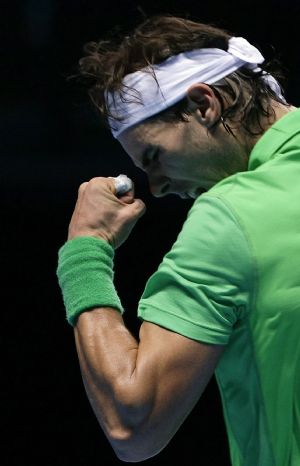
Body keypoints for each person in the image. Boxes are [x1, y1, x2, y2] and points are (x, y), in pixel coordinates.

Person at [56, 14, 300, 465]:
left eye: (155, 156)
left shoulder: (231, 215)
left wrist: (85, 250)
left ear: (205, 104)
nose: (159, 187)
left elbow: (133, 422)